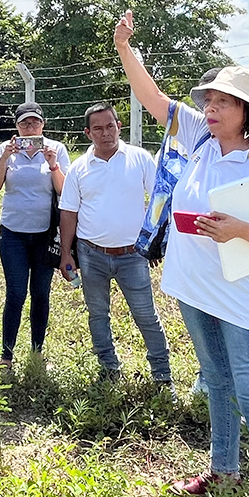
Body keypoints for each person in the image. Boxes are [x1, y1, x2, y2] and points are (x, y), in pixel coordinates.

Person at [115, 12, 249, 497]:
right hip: (191, 286)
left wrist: (240, 231)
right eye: (209, 99)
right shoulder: (199, 137)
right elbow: (152, 98)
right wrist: (124, 48)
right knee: (216, 383)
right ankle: (224, 470)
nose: (210, 106)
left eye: (222, 101)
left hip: (240, 295)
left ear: (247, 112)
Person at [57, 103, 172, 385]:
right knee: (98, 314)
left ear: (119, 126)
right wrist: (65, 255)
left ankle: (162, 376)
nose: (105, 133)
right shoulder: (78, 169)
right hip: (91, 253)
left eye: (110, 126)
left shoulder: (139, 159)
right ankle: (109, 368)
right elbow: (69, 212)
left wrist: (154, 242)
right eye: (98, 128)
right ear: (88, 132)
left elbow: (159, 199)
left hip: (132, 254)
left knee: (146, 315)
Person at [0, 101, 70, 368]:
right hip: (13, 233)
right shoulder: (6, 149)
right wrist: (4, 158)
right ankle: (7, 354)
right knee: (15, 293)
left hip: (45, 233)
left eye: (34, 123)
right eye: (24, 123)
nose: (29, 128)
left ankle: (36, 350)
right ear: (17, 126)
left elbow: (65, 192)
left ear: (43, 125)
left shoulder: (56, 149)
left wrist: (53, 165)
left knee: (41, 293)